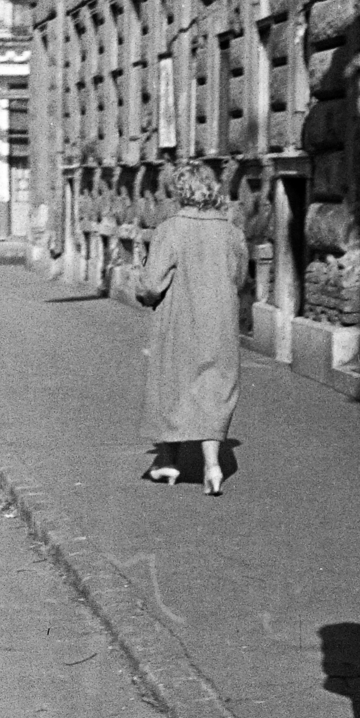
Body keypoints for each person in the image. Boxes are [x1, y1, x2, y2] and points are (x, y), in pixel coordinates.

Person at [140, 163, 248, 496]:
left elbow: (151, 285)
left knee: (174, 386)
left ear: (181, 191)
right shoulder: (231, 232)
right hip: (220, 322)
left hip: (179, 321)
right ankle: (213, 468)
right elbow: (240, 279)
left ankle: (168, 462)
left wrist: (145, 295)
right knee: (214, 388)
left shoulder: (170, 229)